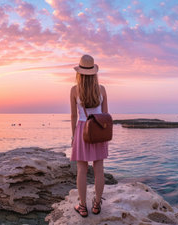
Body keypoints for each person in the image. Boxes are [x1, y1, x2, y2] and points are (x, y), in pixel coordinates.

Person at [70, 54, 108, 217]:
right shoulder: (102, 89)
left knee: (82, 169)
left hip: (82, 129)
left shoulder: (74, 90)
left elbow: (73, 116)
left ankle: (83, 206)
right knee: (99, 169)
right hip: (99, 129)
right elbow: (105, 114)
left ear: (79, 72)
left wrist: (73, 137)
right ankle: (97, 205)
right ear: (94, 72)